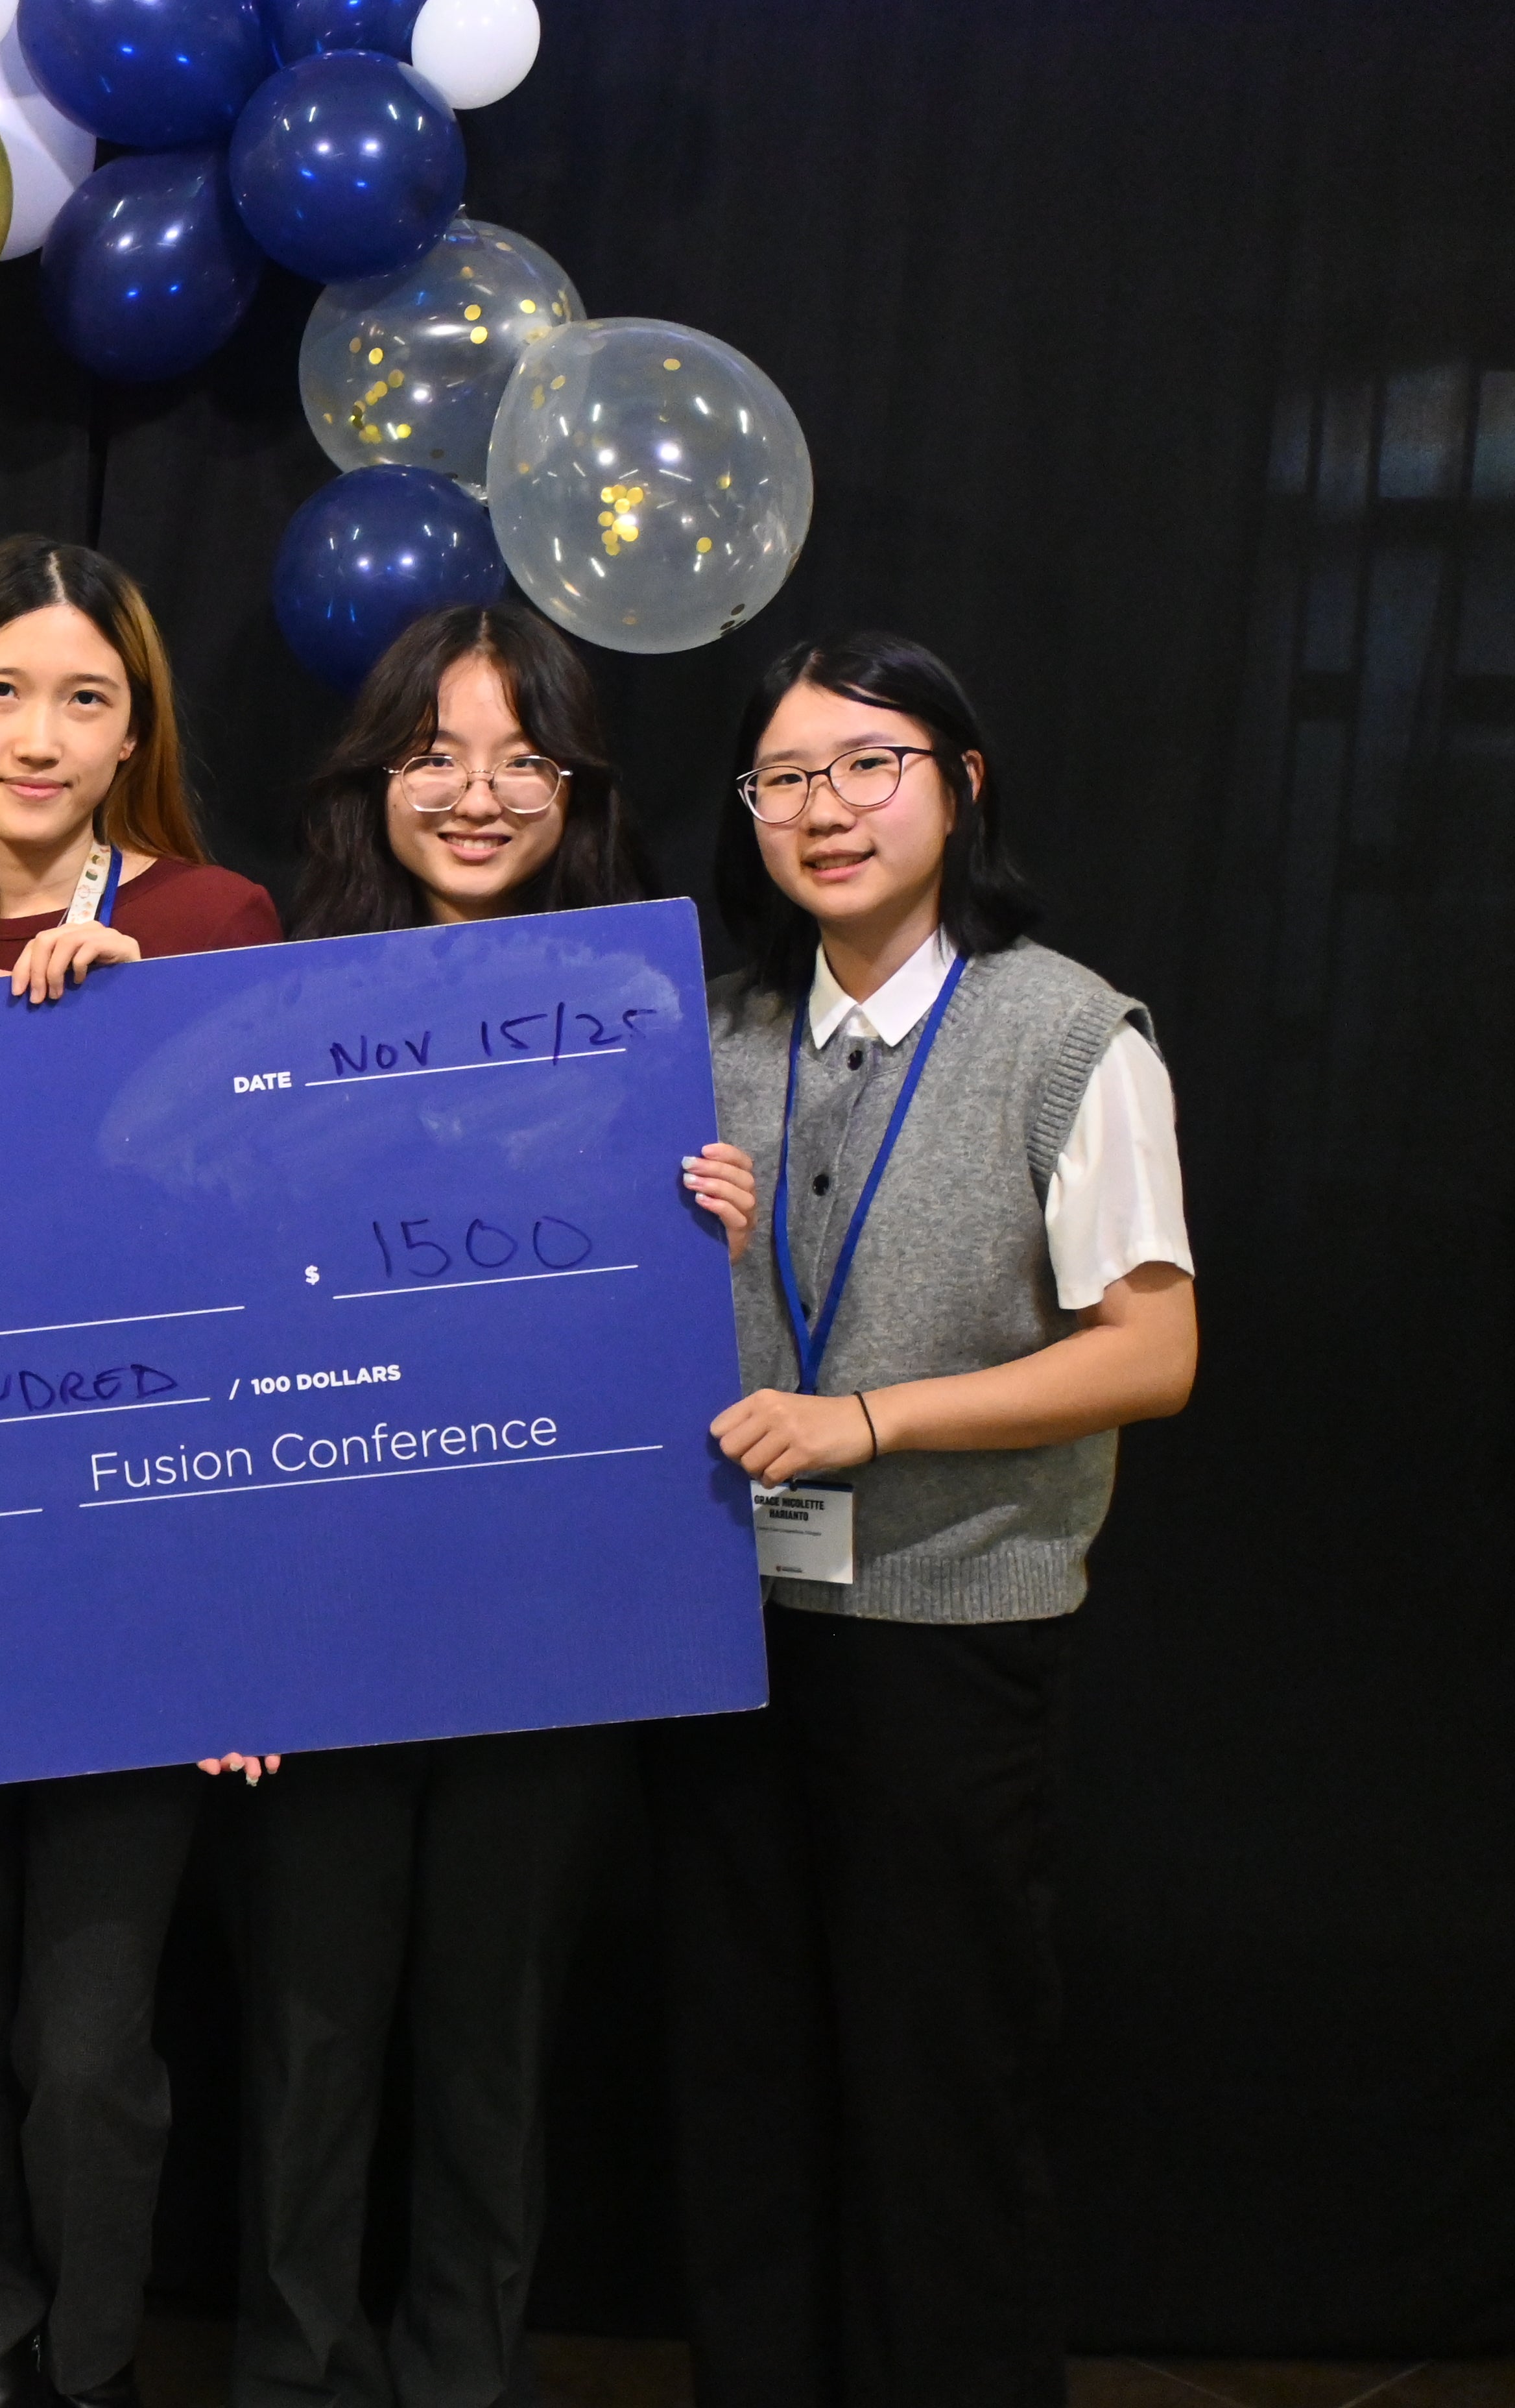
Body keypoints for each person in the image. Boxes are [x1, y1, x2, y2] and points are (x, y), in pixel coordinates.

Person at [647, 631, 1199, 2408]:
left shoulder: (1067, 1031)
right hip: (730, 1631)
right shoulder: (710, 1032)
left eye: (869, 765)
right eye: (785, 777)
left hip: (954, 1634)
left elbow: (1155, 1352)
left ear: (959, 786)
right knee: (744, 2077)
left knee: (938, 2087)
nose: (826, 809)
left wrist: (870, 1421)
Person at [203, 603, 661, 2408]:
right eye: (434, 754)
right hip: (325, 1622)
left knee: (496, 2042)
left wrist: (708, 1225)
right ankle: (294, 2379)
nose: (478, 794)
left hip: (549, 1622)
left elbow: (662, 1340)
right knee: (309, 2044)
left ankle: (464, 2374)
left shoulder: (646, 1014)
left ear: (576, 787)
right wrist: (234, 1631)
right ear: (373, 779)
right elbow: (211, 1323)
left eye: (521, 757)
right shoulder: (269, 1003)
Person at [0, 536, 282, 2408]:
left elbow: (273, 1248)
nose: (39, 735)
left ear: (135, 735)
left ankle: (93, 2367)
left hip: (137, 1585)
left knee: (88, 2049)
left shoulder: (212, 921)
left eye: (84, 699)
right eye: (2, 692)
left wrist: (150, 1045)